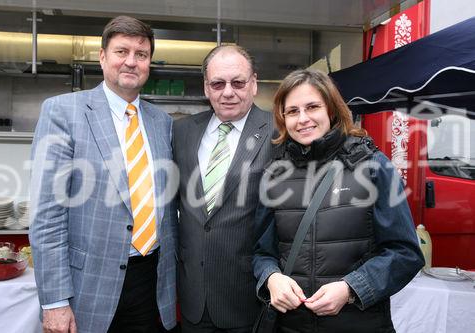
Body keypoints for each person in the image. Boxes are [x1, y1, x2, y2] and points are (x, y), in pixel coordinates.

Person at [30, 16, 177, 333]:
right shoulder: (62, 112)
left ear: (150, 63)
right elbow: (47, 215)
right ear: (102, 56)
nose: (131, 62)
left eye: (141, 54)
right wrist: (55, 302)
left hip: (151, 283)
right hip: (88, 287)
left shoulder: (161, 122)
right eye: (121, 51)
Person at [253, 68, 424, 332]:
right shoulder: (273, 175)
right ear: (282, 117)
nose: (303, 119)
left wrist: (351, 288)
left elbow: (405, 253)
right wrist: (271, 277)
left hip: (359, 323)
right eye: (293, 111)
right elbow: (262, 252)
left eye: (312, 107)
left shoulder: (373, 166)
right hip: (291, 326)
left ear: (331, 110)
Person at [172, 45, 274, 332]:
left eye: (238, 82)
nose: (228, 92)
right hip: (193, 299)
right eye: (218, 83)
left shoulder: (278, 132)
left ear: (253, 84)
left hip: (249, 299)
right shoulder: (182, 132)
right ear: (206, 88)